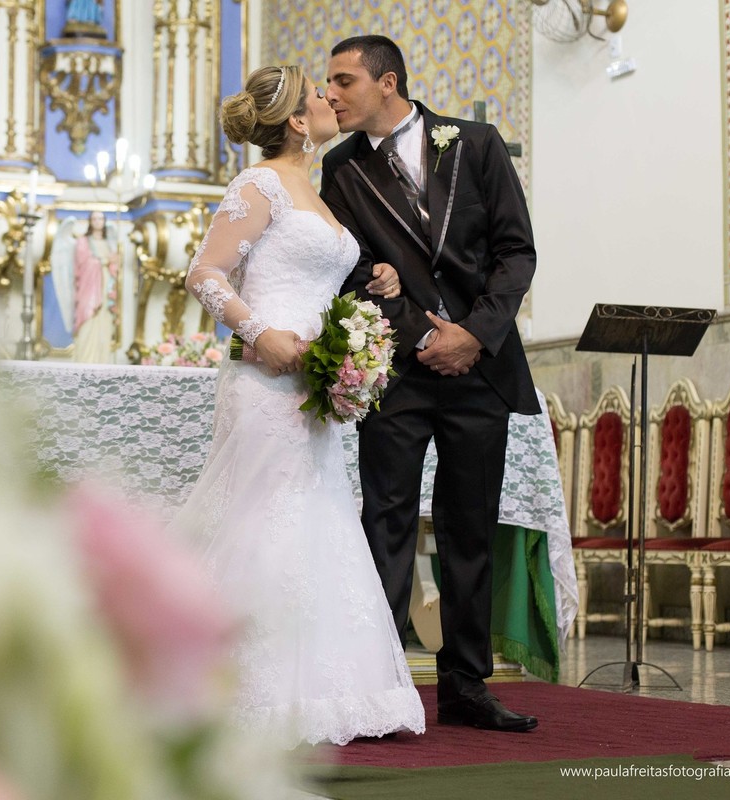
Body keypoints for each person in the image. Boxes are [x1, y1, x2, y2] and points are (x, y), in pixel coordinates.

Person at [169, 64, 425, 748]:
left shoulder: (313, 187)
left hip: (314, 383)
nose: (330, 99)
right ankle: (226, 686)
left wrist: (378, 279)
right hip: (267, 377)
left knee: (316, 518)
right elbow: (204, 273)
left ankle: (324, 689)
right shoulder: (258, 184)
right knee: (261, 517)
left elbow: (315, 271)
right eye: (319, 92)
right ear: (295, 119)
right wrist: (260, 333)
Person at [321, 35, 541, 733]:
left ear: (387, 82)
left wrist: (473, 334)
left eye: (343, 80)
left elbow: (516, 251)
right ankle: (381, 690)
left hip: (481, 368)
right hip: (398, 372)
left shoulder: (475, 144)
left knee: (468, 526)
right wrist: (423, 334)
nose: (330, 94)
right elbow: (353, 269)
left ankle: (466, 686)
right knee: (386, 523)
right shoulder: (341, 169)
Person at [68, 210, 120, 363]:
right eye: (95, 219)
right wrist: (103, 261)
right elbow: (82, 262)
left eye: (100, 218)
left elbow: (115, 267)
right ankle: (85, 360)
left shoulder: (108, 242)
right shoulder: (83, 241)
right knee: (88, 317)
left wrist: (115, 262)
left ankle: (101, 360)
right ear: (90, 221)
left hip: (106, 284)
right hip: (90, 285)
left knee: (104, 319)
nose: (98, 221)